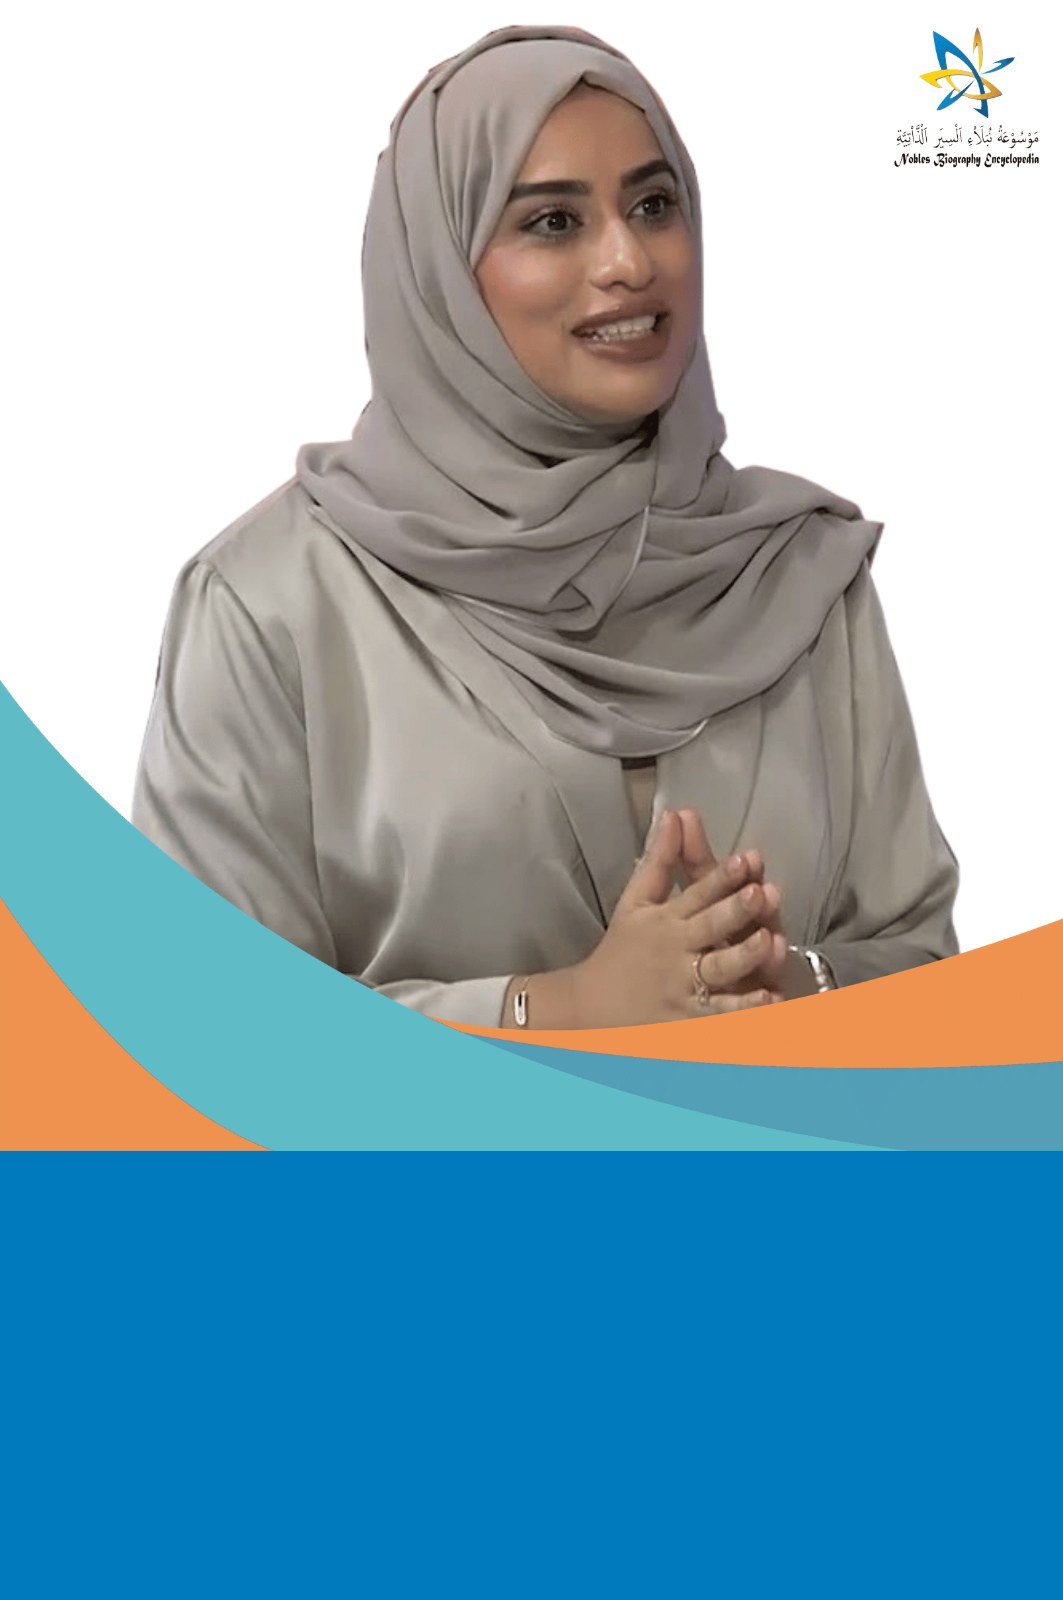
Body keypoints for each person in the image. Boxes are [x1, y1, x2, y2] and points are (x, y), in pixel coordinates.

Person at [131, 23, 959, 1031]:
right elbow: (204, 1023)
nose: (627, 261)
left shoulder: (799, 573)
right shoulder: (270, 603)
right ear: (439, 271)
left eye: (653, 206)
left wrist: (775, 979)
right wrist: (556, 1009)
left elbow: (927, 976)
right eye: (553, 222)